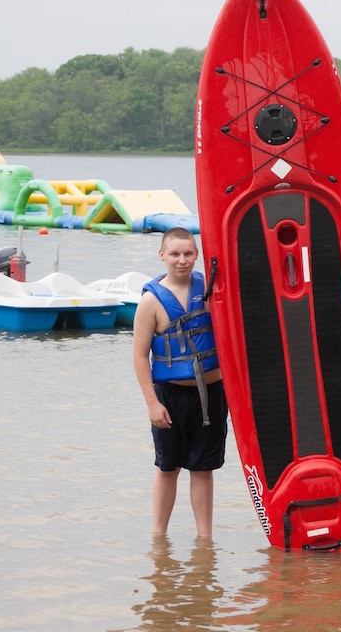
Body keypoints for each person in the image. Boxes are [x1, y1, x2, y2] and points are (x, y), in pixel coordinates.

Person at [132, 227, 228, 539]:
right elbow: (139, 356)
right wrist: (152, 403)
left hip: (212, 393)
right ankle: (159, 538)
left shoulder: (213, 289)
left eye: (188, 254)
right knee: (168, 467)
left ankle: (205, 539)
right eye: (175, 254)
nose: (182, 260)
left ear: (197, 255)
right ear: (162, 256)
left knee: (203, 468)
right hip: (170, 396)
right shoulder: (150, 302)